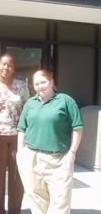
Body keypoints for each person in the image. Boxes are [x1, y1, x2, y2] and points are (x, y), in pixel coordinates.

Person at [16, 70, 83, 214]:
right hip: (32, 158)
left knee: (60, 203)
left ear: (52, 82)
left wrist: (72, 153)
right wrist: (21, 153)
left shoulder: (65, 100)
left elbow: (77, 127)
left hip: (58, 159)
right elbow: (22, 128)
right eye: (36, 84)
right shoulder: (30, 103)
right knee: (37, 199)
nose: (40, 86)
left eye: (43, 82)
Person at [0, 53, 29, 214]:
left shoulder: (22, 86)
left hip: (18, 137)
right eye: (3, 64)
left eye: (9, 65)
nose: (6, 67)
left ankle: (15, 211)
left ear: (13, 68)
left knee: (17, 176)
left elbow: (27, 111)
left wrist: (27, 136)